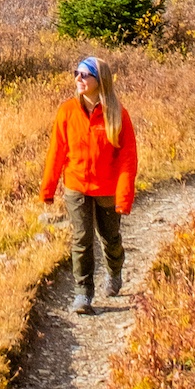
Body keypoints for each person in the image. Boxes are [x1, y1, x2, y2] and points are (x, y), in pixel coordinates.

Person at [40, 55, 138, 315]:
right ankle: (83, 294)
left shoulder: (118, 114)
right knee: (81, 239)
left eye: (85, 74)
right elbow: (56, 152)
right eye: (77, 73)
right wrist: (48, 189)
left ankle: (115, 271)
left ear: (100, 80)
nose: (79, 79)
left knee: (110, 238)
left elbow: (128, 160)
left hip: (107, 189)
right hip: (76, 186)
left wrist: (124, 197)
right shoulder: (67, 111)